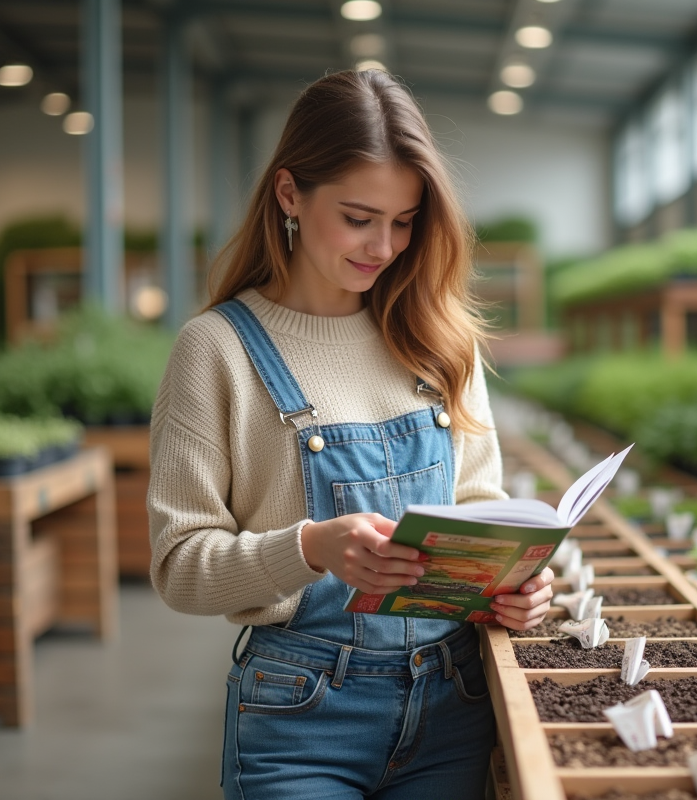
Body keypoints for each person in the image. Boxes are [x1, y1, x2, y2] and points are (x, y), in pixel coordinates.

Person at [147, 69, 555, 800]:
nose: (384, 246)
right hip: (299, 718)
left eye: (404, 221)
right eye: (360, 217)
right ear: (289, 195)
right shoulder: (216, 350)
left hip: (454, 704)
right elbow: (179, 564)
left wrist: (513, 588)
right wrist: (308, 547)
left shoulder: (440, 340)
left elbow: (481, 509)